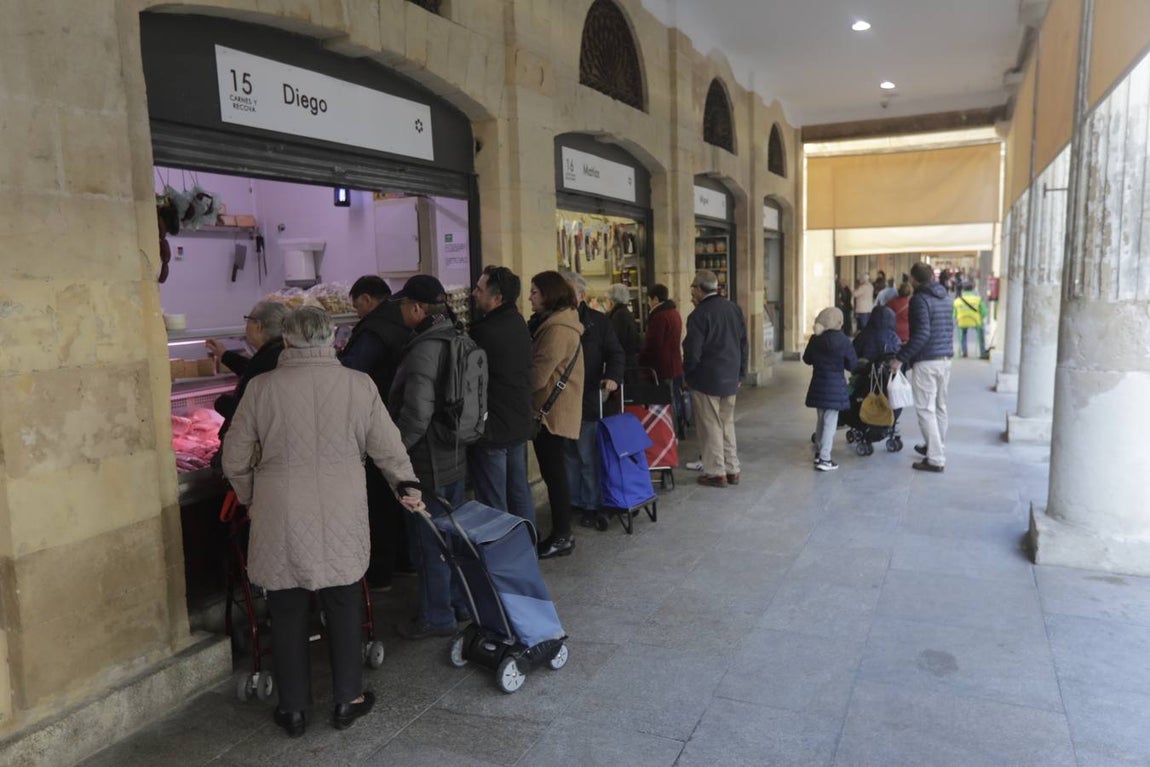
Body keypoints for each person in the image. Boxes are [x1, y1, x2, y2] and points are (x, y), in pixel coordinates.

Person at [222, 307, 425, 738]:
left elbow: (234, 457)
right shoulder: (358, 385)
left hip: (280, 508)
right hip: (341, 506)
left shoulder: (261, 388)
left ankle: (293, 709)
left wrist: (251, 497)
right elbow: (388, 446)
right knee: (345, 600)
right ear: (333, 338)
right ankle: (348, 698)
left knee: (286, 607)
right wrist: (406, 484)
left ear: (287, 340)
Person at [388, 275, 471, 638]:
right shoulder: (459, 336)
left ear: (418, 308)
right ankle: (459, 603)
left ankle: (437, 617)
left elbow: (417, 415)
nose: (402, 311)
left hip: (427, 461)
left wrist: (394, 452)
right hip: (455, 453)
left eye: (404, 305)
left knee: (429, 542)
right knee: (451, 536)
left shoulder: (424, 348)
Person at [339, 275, 415, 591]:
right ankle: (406, 561)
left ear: (367, 299)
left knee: (380, 500)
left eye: (356, 304)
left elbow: (350, 372)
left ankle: (381, 571)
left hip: (375, 420)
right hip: (397, 417)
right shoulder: (400, 321)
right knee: (400, 495)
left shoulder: (374, 330)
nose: (356, 310)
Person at [468, 266, 537, 526]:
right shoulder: (518, 322)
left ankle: (500, 549)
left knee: (493, 502)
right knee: (519, 492)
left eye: (479, 289)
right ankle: (526, 544)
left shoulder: (484, 332)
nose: (474, 293)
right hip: (517, 423)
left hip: (494, 428)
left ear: (497, 298)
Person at [527, 271, 585, 558]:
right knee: (555, 474)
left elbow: (538, 375)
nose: (530, 297)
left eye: (534, 292)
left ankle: (562, 535)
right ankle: (562, 533)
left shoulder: (557, 328)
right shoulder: (560, 322)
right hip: (556, 409)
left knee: (555, 476)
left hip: (551, 414)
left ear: (548, 294)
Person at [562, 272, 624, 526]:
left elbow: (616, 353)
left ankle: (590, 503)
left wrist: (612, 377)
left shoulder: (598, 322)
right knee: (568, 454)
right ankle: (574, 501)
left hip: (588, 397)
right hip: (561, 400)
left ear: (581, 295)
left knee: (587, 455)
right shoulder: (553, 320)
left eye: (569, 292)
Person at [683, 270, 748, 488]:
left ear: (699, 289)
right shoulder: (733, 308)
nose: (691, 294)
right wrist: (741, 373)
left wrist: (688, 375)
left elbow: (692, 351)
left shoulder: (699, 315)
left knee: (710, 425)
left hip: (706, 379)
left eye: (693, 288)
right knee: (726, 424)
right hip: (730, 377)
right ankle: (732, 469)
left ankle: (715, 472)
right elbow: (743, 344)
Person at [891, 262, 954, 473]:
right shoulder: (946, 297)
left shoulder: (919, 299)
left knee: (926, 409)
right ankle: (935, 446)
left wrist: (901, 358)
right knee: (940, 406)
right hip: (945, 358)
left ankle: (935, 458)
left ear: (913, 279)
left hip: (927, 361)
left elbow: (922, 334)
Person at [205, 300, 290, 444]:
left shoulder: (268, 358)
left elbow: (249, 415)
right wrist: (224, 355)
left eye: (248, 320)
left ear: (258, 326)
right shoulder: (280, 352)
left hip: (256, 444)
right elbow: (252, 370)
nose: (245, 325)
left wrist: (222, 403)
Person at [803, 307, 857, 472]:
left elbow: (807, 359)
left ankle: (819, 452)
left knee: (821, 420)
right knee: (830, 423)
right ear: (839, 322)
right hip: (835, 387)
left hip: (818, 384)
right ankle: (825, 458)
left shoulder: (815, 339)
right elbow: (852, 364)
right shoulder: (843, 341)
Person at [639, 283, 686, 432]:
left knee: (666, 401)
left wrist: (641, 359)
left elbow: (653, 344)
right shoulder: (674, 313)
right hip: (675, 365)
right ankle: (678, 429)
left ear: (655, 299)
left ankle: (671, 431)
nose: (648, 303)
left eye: (649, 299)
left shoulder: (659, 316)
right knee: (675, 399)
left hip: (663, 367)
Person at [606, 283, 641, 374]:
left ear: (612, 301)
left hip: (624, 366)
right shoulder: (625, 313)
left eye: (607, 299)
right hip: (629, 363)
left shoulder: (619, 316)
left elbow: (616, 341)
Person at [953, 282, 988, 359]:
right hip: (976, 321)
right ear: (972, 289)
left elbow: (954, 314)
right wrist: (980, 318)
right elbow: (985, 312)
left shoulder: (957, 301)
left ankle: (964, 352)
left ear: (962, 290)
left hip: (962, 321)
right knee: (981, 334)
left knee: (963, 334)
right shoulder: (978, 299)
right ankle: (982, 352)